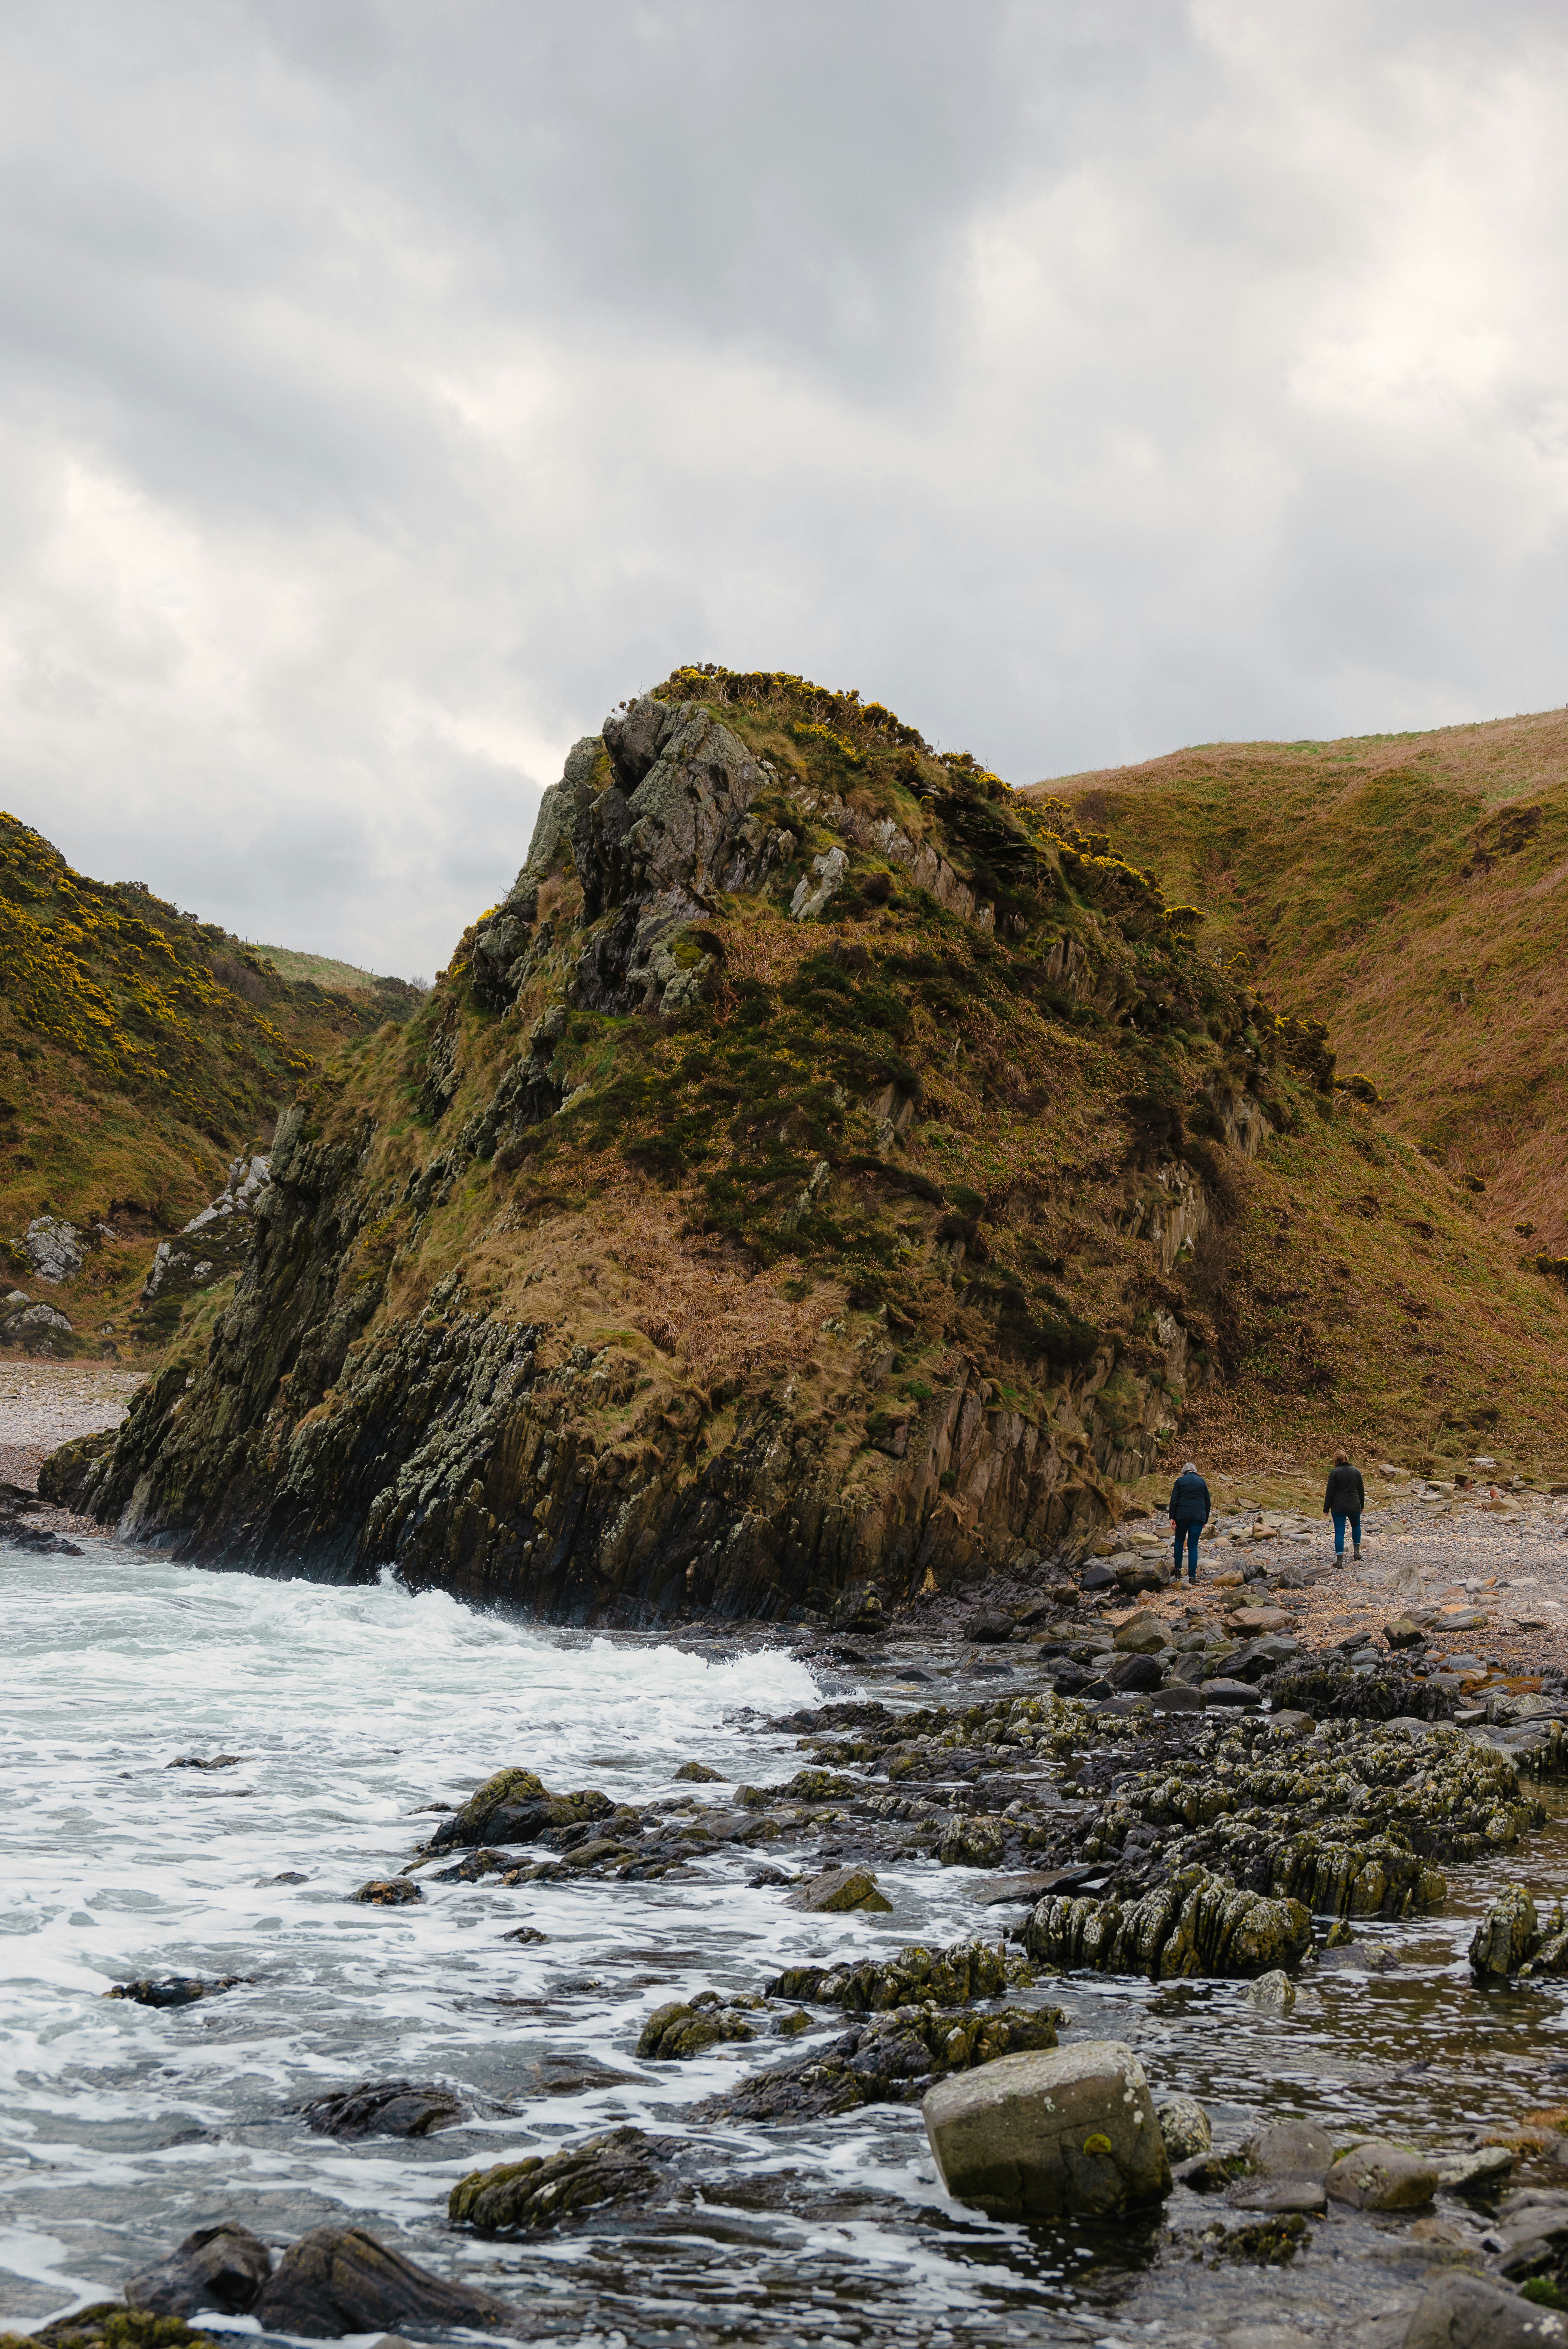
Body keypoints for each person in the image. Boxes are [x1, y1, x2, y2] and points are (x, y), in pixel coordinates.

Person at [1168, 1458, 1211, 1584]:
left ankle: (1177, 1569)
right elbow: (1207, 1503)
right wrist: (1205, 1519)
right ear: (1195, 1471)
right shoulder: (1202, 1481)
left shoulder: (1180, 1481)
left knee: (1180, 1541)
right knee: (1193, 1546)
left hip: (1182, 1516)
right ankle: (1192, 1577)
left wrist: (1172, 1517)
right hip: (1198, 1516)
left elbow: (1174, 1501)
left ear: (1185, 1471)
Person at [1323, 1450, 1366, 1565]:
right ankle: (1357, 1553)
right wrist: (1362, 1505)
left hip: (1338, 1506)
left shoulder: (1335, 1472)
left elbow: (1330, 1492)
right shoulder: (1356, 1471)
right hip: (1354, 1504)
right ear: (1346, 1458)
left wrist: (1326, 1509)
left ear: (1335, 1460)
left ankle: (1339, 1561)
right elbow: (1361, 1490)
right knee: (1356, 1526)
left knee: (1339, 1532)